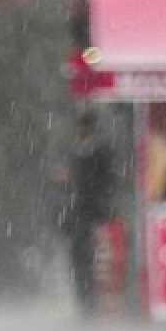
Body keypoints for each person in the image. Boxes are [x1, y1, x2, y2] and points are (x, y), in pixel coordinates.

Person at [53, 111, 118, 318]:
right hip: (82, 218)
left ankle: (94, 306)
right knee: (83, 263)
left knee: (96, 263)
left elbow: (104, 182)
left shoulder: (99, 154)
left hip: (94, 216)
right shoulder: (75, 154)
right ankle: (85, 306)